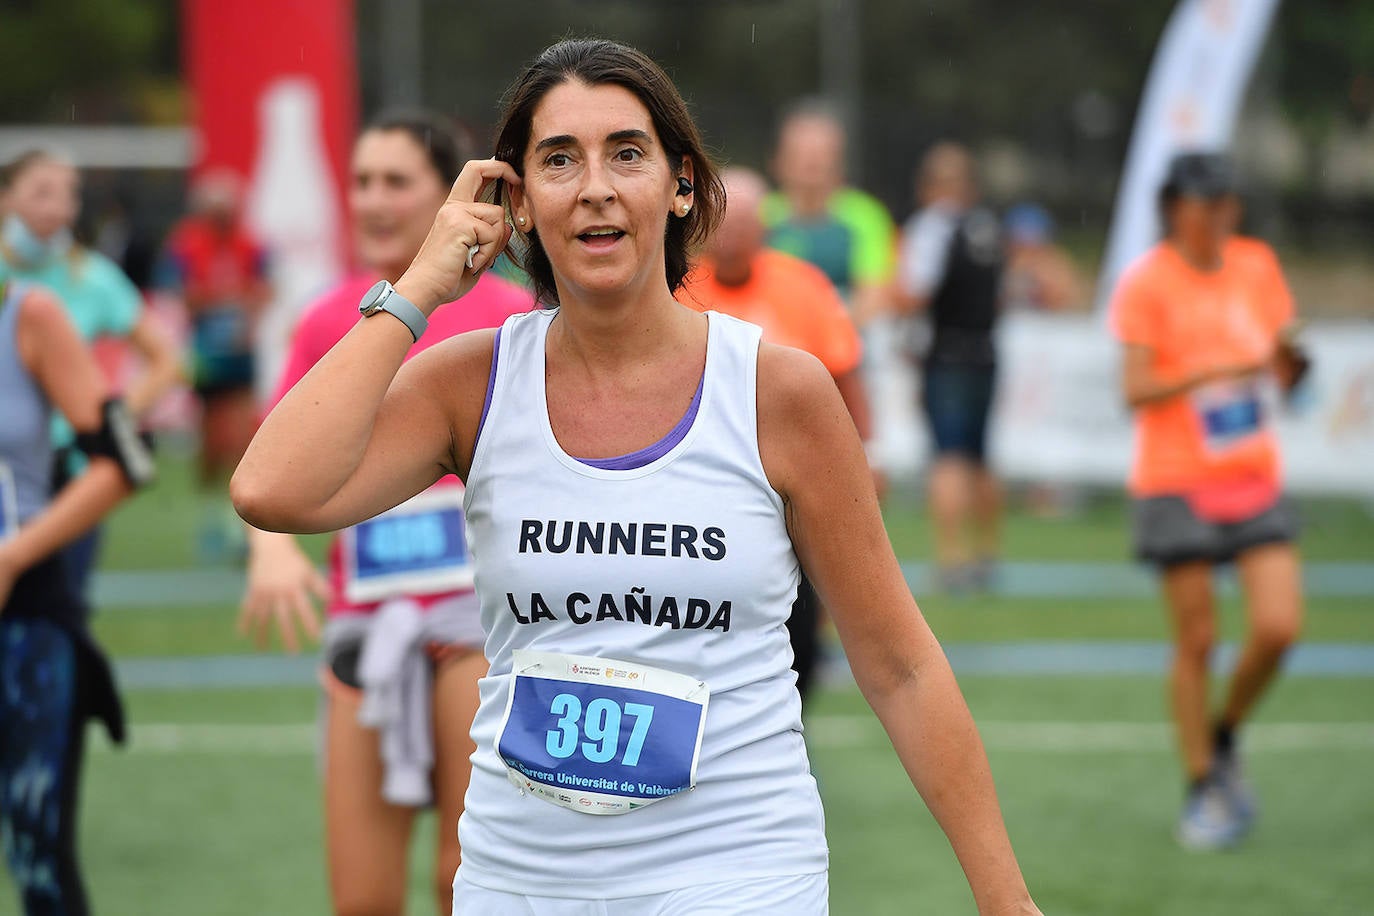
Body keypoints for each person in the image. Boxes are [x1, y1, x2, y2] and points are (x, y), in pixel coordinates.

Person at [232, 39, 1041, 915]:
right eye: (557, 161)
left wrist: (1007, 902)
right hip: (520, 880)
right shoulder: (471, 381)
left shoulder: (779, 391)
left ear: (681, 183)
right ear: (519, 203)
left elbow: (900, 666)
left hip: (740, 870)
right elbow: (273, 490)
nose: (595, 188)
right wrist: (421, 285)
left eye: (627, 152)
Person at [239, 110, 533, 916]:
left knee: (461, 879)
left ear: (450, 198)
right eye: (361, 181)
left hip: (478, 627)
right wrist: (269, 550)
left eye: (396, 181)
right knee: (362, 898)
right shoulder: (329, 320)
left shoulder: (518, 317)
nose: (372, 199)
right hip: (363, 626)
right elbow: (273, 465)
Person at [1108, 151, 1305, 850]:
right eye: (1205, 204)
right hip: (1176, 479)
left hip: (1251, 471)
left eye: (1226, 203)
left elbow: (1284, 357)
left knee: (1280, 627)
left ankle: (1222, 734)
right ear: (1175, 209)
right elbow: (1133, 390)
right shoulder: (1146, 282)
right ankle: (1202, 784)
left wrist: (1286, 363)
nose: (1218, 216)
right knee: (1197, 638)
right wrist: (1211, 372)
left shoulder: (1256, 264)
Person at [682, 165, 874, 704]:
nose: (734, 235)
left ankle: (788, 709)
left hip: (795, 480)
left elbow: (845, 372)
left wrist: (868, 451)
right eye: (724, 222)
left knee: (803, 607)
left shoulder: (801, 286)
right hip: (708, 482)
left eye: (745, 223)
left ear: (763, 227)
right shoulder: (677, 288)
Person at [0, 279, 153, 915]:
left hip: (25, 623)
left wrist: (12, 556)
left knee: (40, 863)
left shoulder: (27, 315)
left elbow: (124, 462)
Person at [0, 150, 179, 595]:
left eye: (68, 195)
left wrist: (114, 418)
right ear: (5, 199)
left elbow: (166, 358)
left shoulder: (92, 279)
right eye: (41, 193)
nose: (56, 208)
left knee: (54, 614)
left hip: (68, 474)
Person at [895, 142, 1005, 592]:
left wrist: (891, 299)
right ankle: (987, 554)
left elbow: (916, 293)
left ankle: (951, 557)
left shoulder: (932, 228)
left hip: (947, 354)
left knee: (948, 456)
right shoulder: (986, 228)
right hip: (985, 352)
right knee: (980, 456)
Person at [162, 170, 272, 560]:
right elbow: (184, 295)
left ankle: (237, 527)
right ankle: (210, 519)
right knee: (211, 440)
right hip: (207, 356)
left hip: (240, 355)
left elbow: (264, 291)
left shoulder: (252, 245)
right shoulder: (187, 245)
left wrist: (244, 310)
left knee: (241, 438)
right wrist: (224, 301)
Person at [762, 100, 896, 324]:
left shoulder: (866, 216)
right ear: (777, 160)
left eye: (821, 153)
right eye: (800, 152)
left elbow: (874, 296)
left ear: (840, 160)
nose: (812, 161)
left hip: (845, 339)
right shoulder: (760, 216)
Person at [1002, 203, 1083, 312]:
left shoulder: (1054, 264)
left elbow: (1063, 299)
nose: (1026, 252)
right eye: (1019, 245)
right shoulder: (1003, 262)